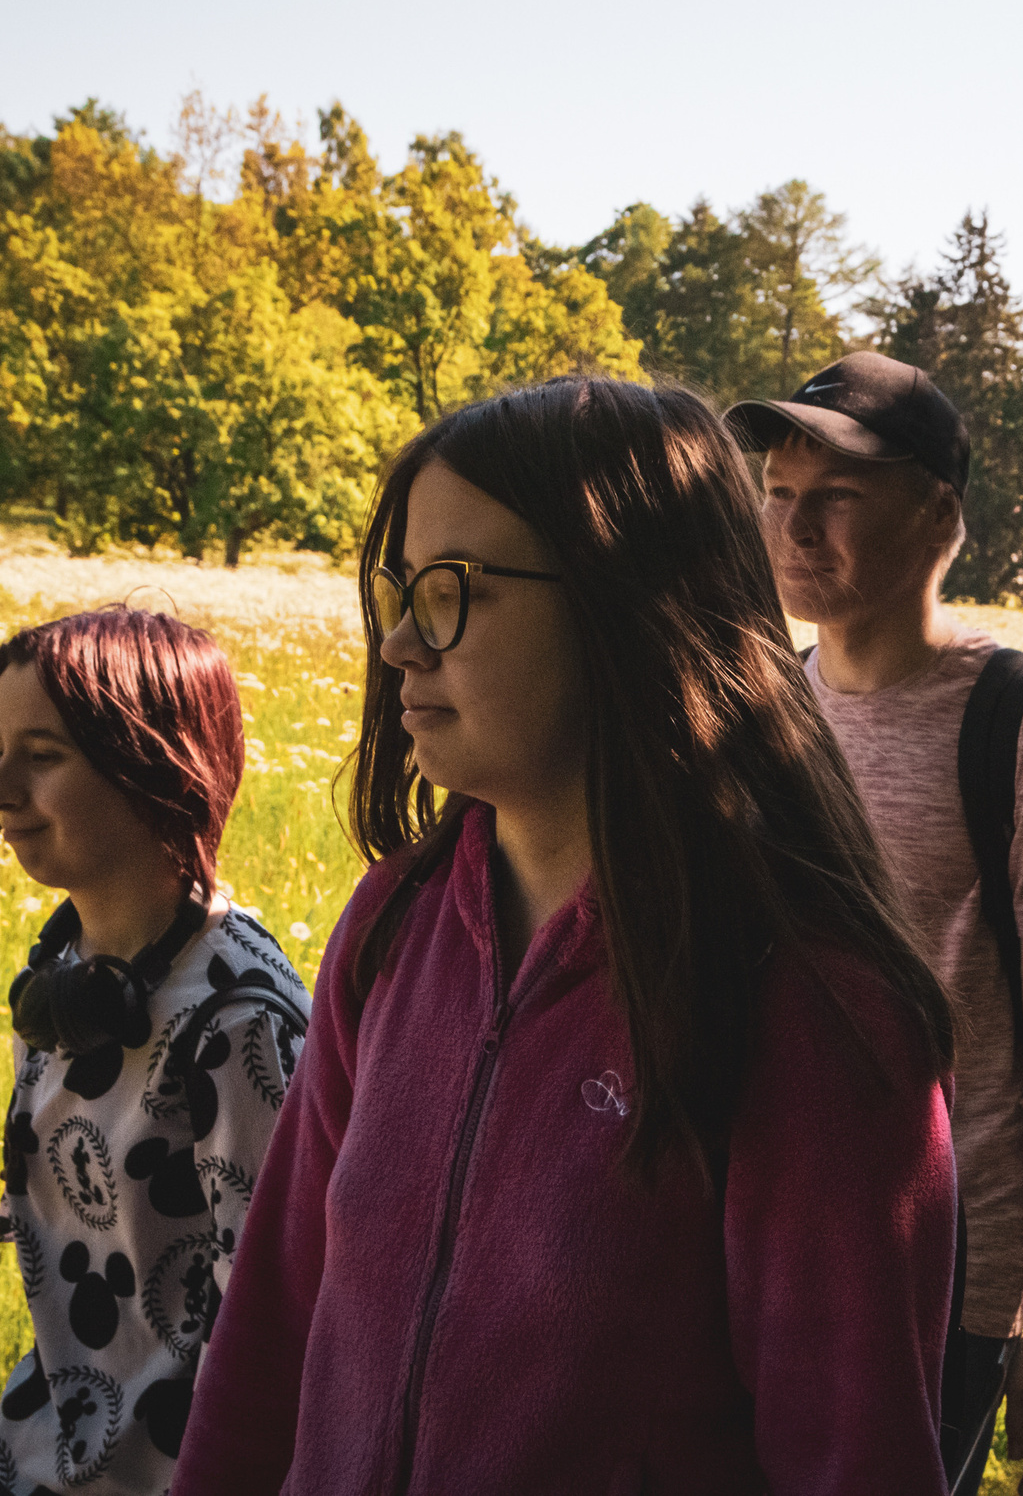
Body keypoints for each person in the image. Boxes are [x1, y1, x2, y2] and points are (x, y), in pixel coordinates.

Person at [174, 378, 958, 1496]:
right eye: (393, 589)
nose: (398, 641)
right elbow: (274, 1329)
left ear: (624, 605)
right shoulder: (392, 926)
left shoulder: (810, 1009)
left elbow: (850, 1460)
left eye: (450, 590)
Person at [728, 352, 1023, 1496]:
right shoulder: (764, 705)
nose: (798, 526)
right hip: (765, 1228)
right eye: (779, 491)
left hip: (942, 1266)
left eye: (840, 497)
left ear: (938, 515)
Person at [0, 608, 306, 1496]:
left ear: (153, 769)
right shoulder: (67, 977)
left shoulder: (237, 1020)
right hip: (44, 1428)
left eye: (42, 754)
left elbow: (274, 1321)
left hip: (171, 1466)